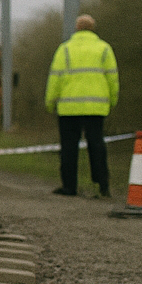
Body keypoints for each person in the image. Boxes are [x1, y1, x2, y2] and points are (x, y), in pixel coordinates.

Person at [46, 14, 119, 197]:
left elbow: (55, 78)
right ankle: (103, 185)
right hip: (96, 107)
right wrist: (112, 100)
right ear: (93, 28)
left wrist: (50, 101)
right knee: (97, 144)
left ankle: (69, 187)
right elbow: (112, 78)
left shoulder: (65, 49)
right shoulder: (104, 49)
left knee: (69, 148)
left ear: (77, 29)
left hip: (68, 108)